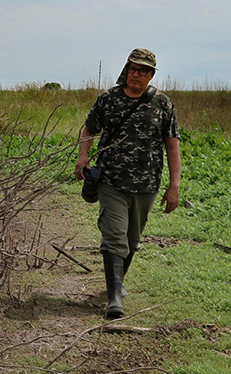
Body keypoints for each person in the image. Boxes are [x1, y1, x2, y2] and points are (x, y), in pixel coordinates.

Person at [75, 48, 181, 319]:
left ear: (151, 75)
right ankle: (114, 300)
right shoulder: (108, 99)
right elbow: (89, 129)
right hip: (111, 180)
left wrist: (174, 185)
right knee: (113, 236)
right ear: (126, 69)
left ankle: (118, 284)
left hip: (147, 184)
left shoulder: (162, 104)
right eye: (133, 68)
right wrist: (83, 157)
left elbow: (172, 146)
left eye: (143, 70)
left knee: (132, 241)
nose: (137, 74)